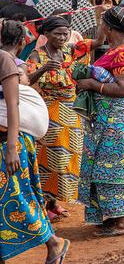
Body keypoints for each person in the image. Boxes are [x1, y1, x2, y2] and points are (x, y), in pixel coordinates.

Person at [0, 21, 70, 262]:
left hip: (10, 142)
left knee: (17, 196)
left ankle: (54, 243)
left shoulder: (5, 60)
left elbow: (12, 104)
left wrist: (11, 149)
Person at [74, 6, 124, 236]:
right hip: (109, 117)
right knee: (106, 166)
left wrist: (93, 85)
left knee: (113, 167)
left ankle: (121, 221)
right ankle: (113, 218)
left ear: (110, 28)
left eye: (103, 23)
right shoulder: (122, 45)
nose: (101, 27)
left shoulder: (123, 52)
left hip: (116, 117)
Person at [27, 15, 89, 222]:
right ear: (46, 34)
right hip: (51, 113)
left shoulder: (69, 52)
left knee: (68, 160)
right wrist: (44, 68)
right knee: (50, 160)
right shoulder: (37, 55)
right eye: (58, 34)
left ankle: (53, 202)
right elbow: (26, 80)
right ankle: (45, 204)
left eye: (66, 33)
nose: (63, 37)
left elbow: (95, 43)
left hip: (72, 114)